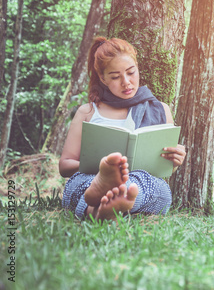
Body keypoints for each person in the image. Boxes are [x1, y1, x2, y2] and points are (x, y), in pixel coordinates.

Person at [59, 37, 185, 221]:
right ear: (102, 78)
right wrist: (104, 169)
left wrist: (174, 162)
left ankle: (101, 209)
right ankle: (108, 195)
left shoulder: (160, 110)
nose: (126, 82)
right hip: (91, 178)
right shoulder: (88, 112)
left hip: (140, 181)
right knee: (81, 184)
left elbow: (162, 170)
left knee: (159, 189)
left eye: (131, 72)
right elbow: (64, 166)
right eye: (115, 77)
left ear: (137, 68)